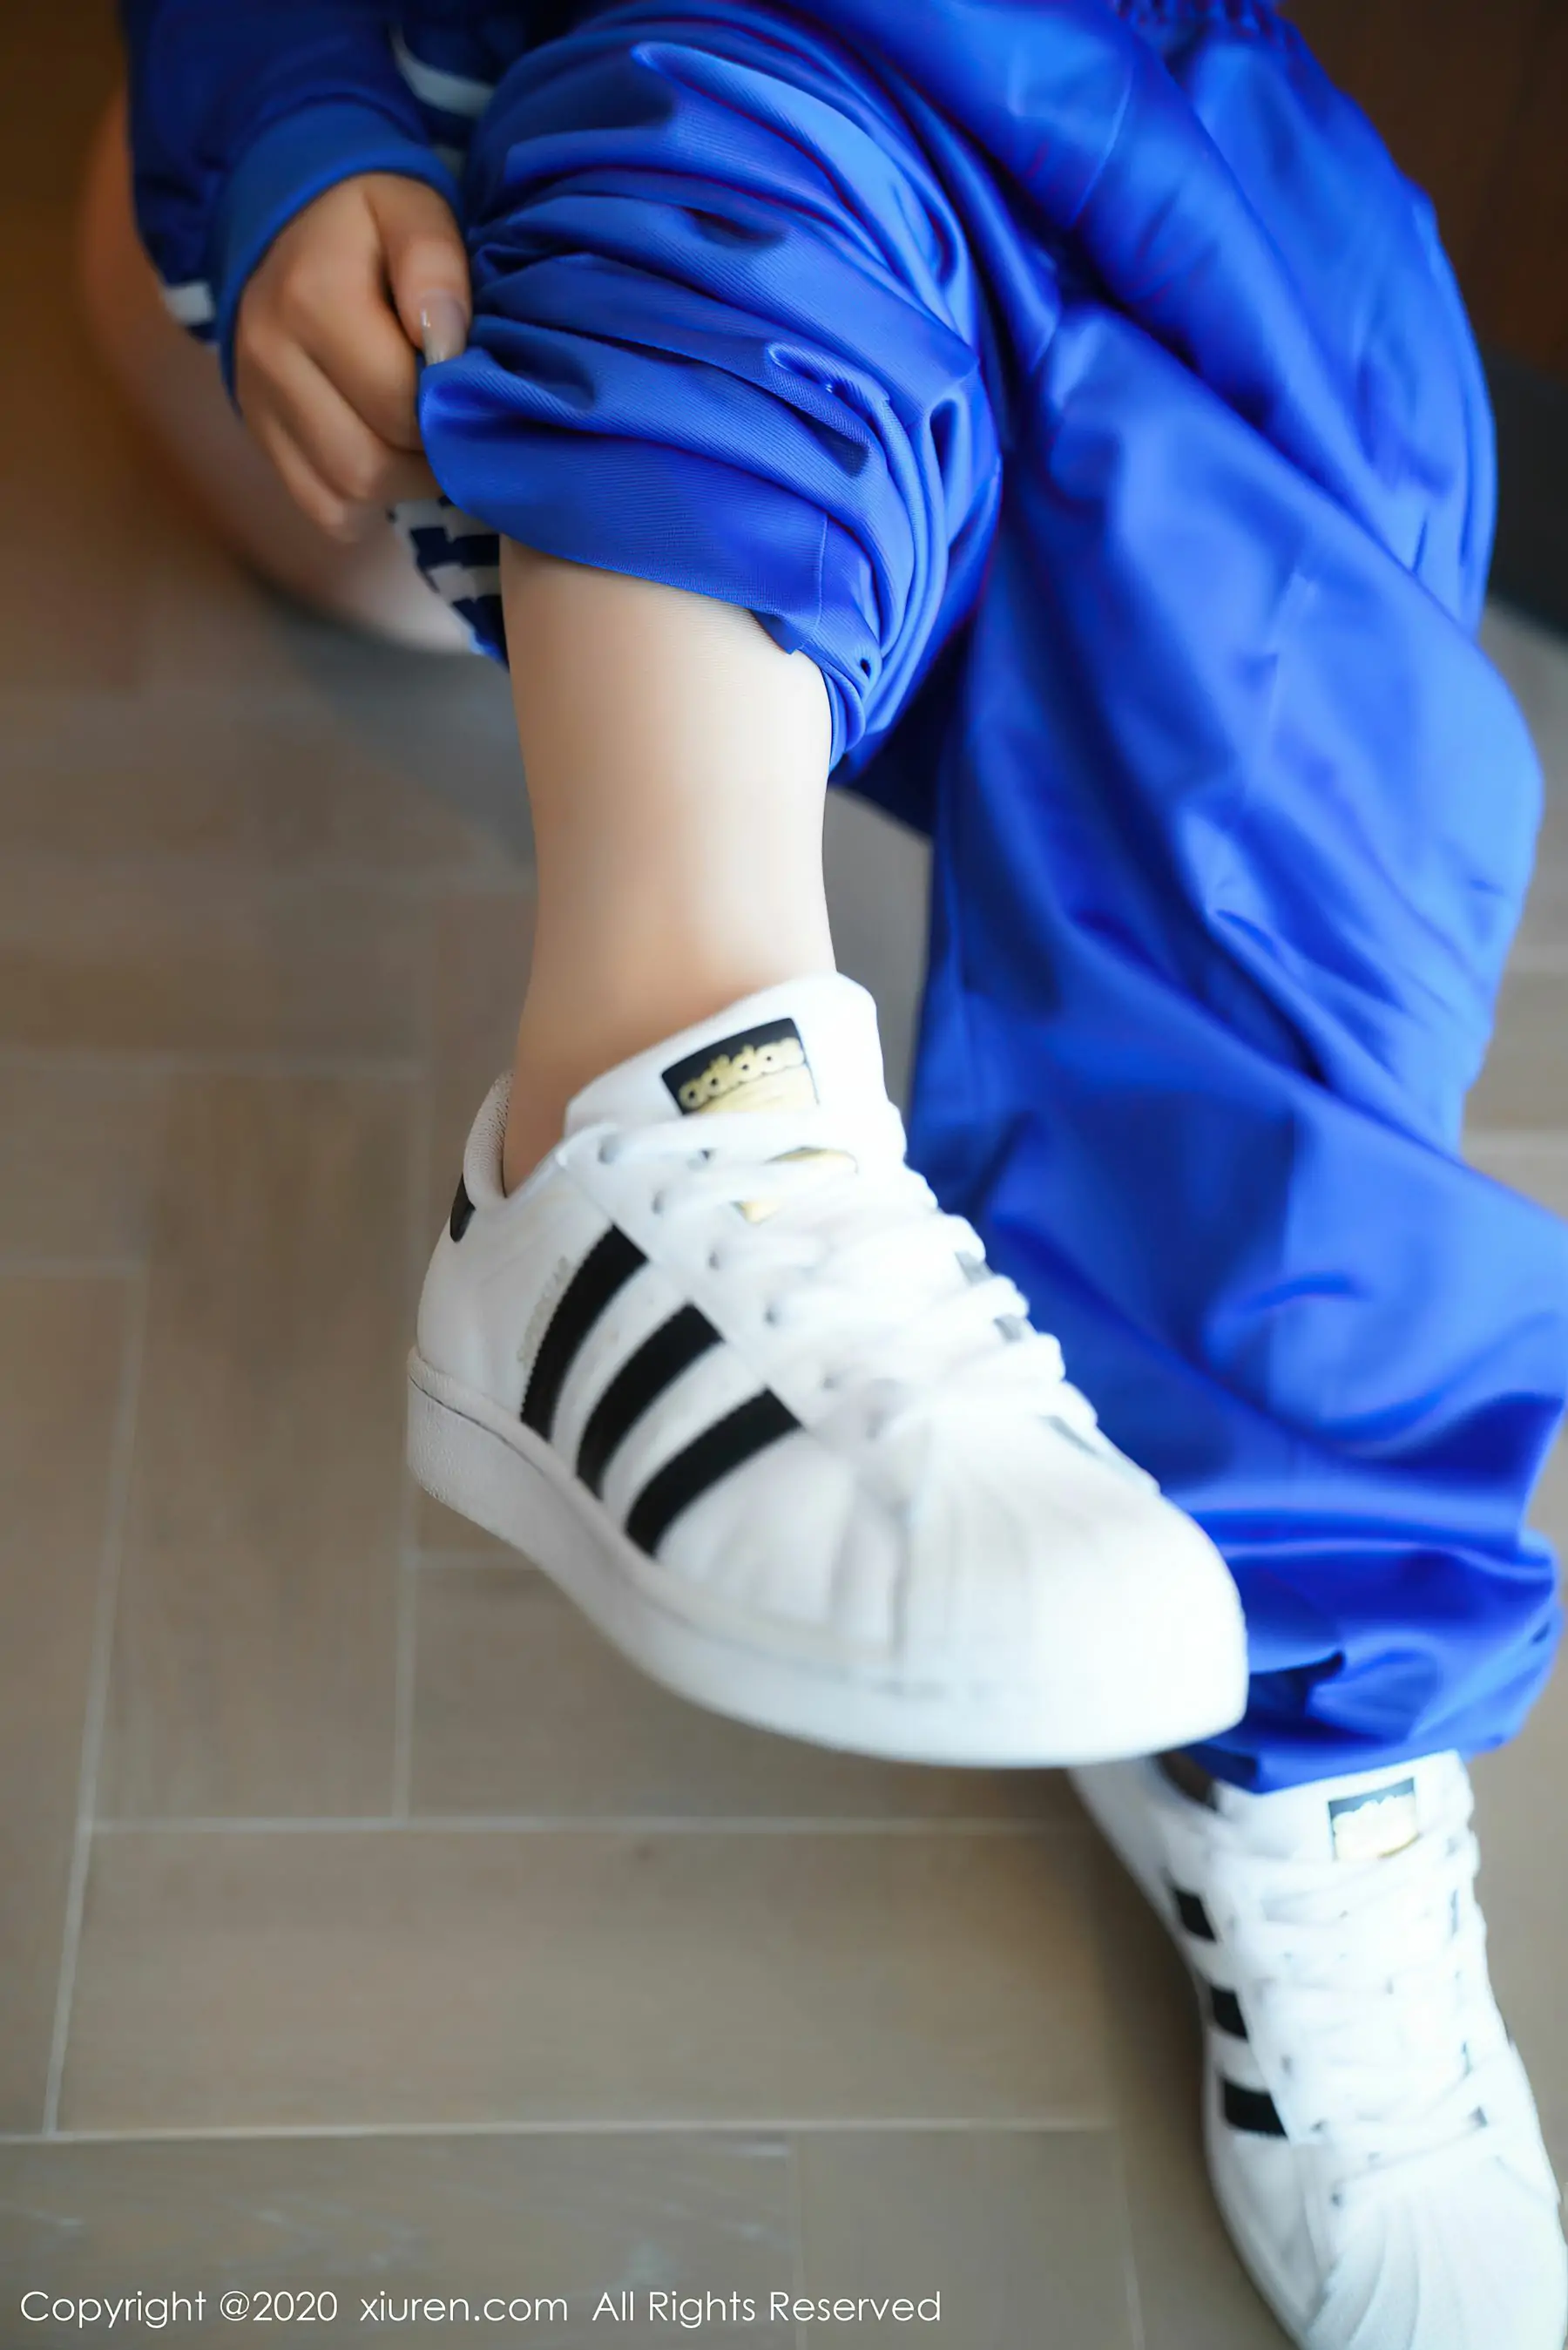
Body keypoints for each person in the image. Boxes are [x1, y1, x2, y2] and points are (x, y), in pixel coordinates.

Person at [95, 3, 1568, 2342]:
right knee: (739, 154)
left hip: (1127, 131)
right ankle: (657, 1091)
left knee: (1309, 716)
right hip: (539, 181)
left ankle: (1303, 1720)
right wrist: (283, 110)